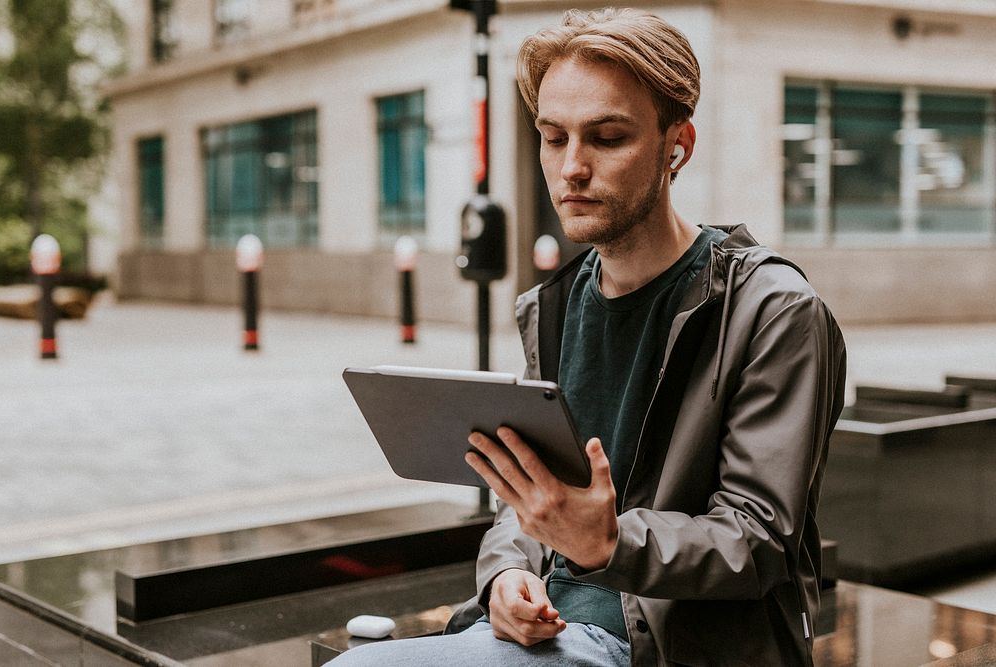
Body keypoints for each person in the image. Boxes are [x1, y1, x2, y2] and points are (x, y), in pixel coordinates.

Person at [330, 7, 846, 666]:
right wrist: (505, 578)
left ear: (677, 146)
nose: (571, 167)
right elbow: (526, 498)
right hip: (544, 632)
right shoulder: (552, 304)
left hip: (667, 645)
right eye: (553, 137)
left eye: (606, 137)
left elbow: (759, 536)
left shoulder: (774, 310)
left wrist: (608, 542)